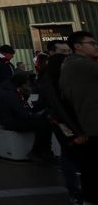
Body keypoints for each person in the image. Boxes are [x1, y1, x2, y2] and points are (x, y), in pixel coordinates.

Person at [38, 51, 84, 202]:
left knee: (69, 153)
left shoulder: (65, 80)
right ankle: (75, 189)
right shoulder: (53, 83)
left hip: (68, 123)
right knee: (69, 153)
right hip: (65, 124)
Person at [60, 31, 98, 202]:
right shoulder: (79, 64)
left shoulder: (77, 64)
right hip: (91, 125)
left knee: (90, 169)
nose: (95, 46)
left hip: (87, 125)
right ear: (77, 46)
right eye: (91, 43)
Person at [0, 73, 53, 161]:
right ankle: (38, 151)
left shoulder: (8, 90)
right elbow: (22, 113)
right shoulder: (10, 93)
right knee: (44, 124)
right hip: (11, 121)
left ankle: (42, 152)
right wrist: (37, 116)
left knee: (43, 122)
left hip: (10, 118)